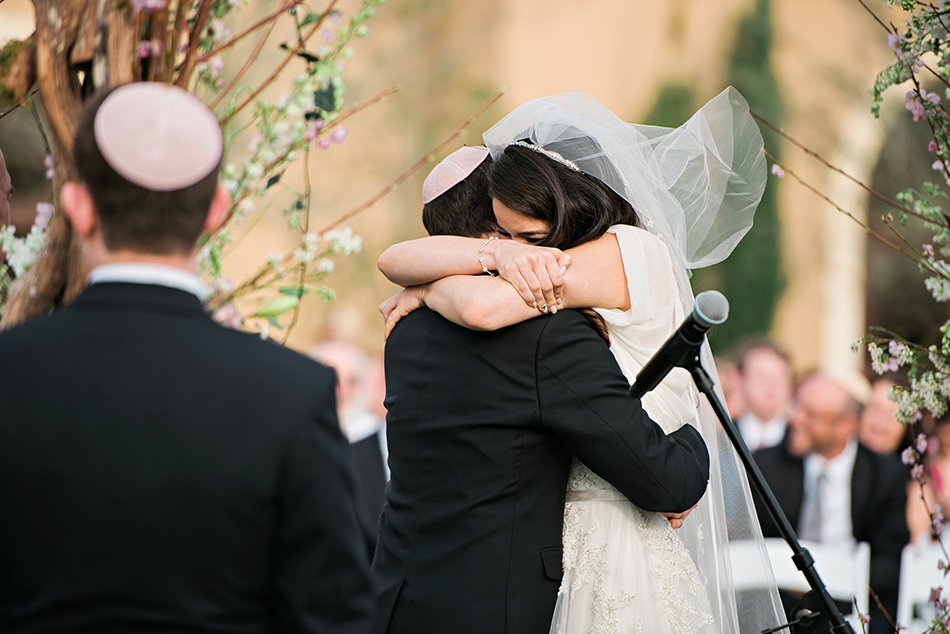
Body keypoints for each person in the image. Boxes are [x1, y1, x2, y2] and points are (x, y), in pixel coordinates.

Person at [377, 89, 783, 634]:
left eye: (529, 238)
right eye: (508, 238)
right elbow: (396, 262)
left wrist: (428, 289)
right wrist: (487, 259)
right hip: (565, 541)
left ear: (570, 204)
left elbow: (478, 306)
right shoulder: (554, 293)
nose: (523, 255)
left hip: (616, 526)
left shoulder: (626, 252)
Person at [0, 84, 374, 633]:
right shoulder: (292, 394)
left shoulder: (10, 372)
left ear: (77, 207)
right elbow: (333, 616)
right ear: (218, 210)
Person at [753, 372, 909, 634]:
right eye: (797, 406)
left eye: (811, 414)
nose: (796, 419)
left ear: (845, 426)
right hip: (782, 609)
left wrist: (832, 577)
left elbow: (891, 561)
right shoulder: (765, 466)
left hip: (853, 609)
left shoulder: (884, 476)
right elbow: (751, 543)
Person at [310, 338, 389, 559]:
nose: (343, 391)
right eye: (333, 380)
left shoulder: (381, 440)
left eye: (352, 381)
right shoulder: (301, 443)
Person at [734, 338, 794, 452]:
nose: (771, 386)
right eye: (761, 377)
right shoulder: (723, 438)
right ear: (740, 379)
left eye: (779, 378)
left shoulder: (799, 443)